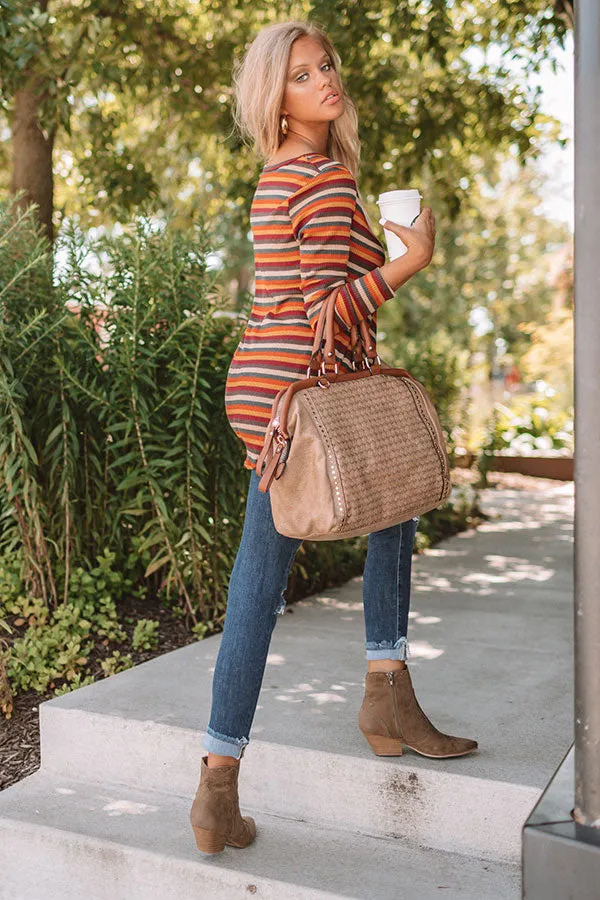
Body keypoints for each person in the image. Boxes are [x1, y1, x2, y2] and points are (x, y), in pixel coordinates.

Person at [189, 19, 477, 856]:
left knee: (271, 574)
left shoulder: (285, 176)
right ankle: (383, 690)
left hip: (272, 390)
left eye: (327, 66)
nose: (326, 80)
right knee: (376, 500)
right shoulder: (313, 178)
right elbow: (323, 311)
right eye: (303, 74)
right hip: (301, 399)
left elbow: (309, 298)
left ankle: (221, 785)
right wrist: (408, 261)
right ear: (274, 99)